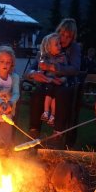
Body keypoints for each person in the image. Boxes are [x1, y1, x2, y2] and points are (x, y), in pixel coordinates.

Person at [26, 18, 81, 147]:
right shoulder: (49, 45)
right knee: (37, 93)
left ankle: (57, 135)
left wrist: (53, 68)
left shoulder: (74, 49)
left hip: (64, 84)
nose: (64, 39)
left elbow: (75, 68)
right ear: (58, 32)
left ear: (72, 38)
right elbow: (32, 68)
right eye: (62, 34)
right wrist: (34, 74)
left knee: (61, 93)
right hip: (47, 84)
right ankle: (33, 133)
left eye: (68, 36)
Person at [0, 45, 20, 147]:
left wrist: (11, 102)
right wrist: (1, 102)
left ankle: (7, 154)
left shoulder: (14, 78)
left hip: (8, 111)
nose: (5, 64)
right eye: (2, 61)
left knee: (7, 135)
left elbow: (16, 93)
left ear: (12, 64)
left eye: (8, 62)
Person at [38, 33, 68, 127]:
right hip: (49, 81)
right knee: (49, 92)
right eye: (56, 44)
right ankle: (46, 112)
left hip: (59, 81)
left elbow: (65, 71)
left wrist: (63, 79)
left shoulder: (63, 58)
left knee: (55, 97)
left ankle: (53, 115)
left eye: (59, 44)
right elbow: (41, 68)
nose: (59, 46)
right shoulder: (46, 57)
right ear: (48, 47)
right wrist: (42, 67)